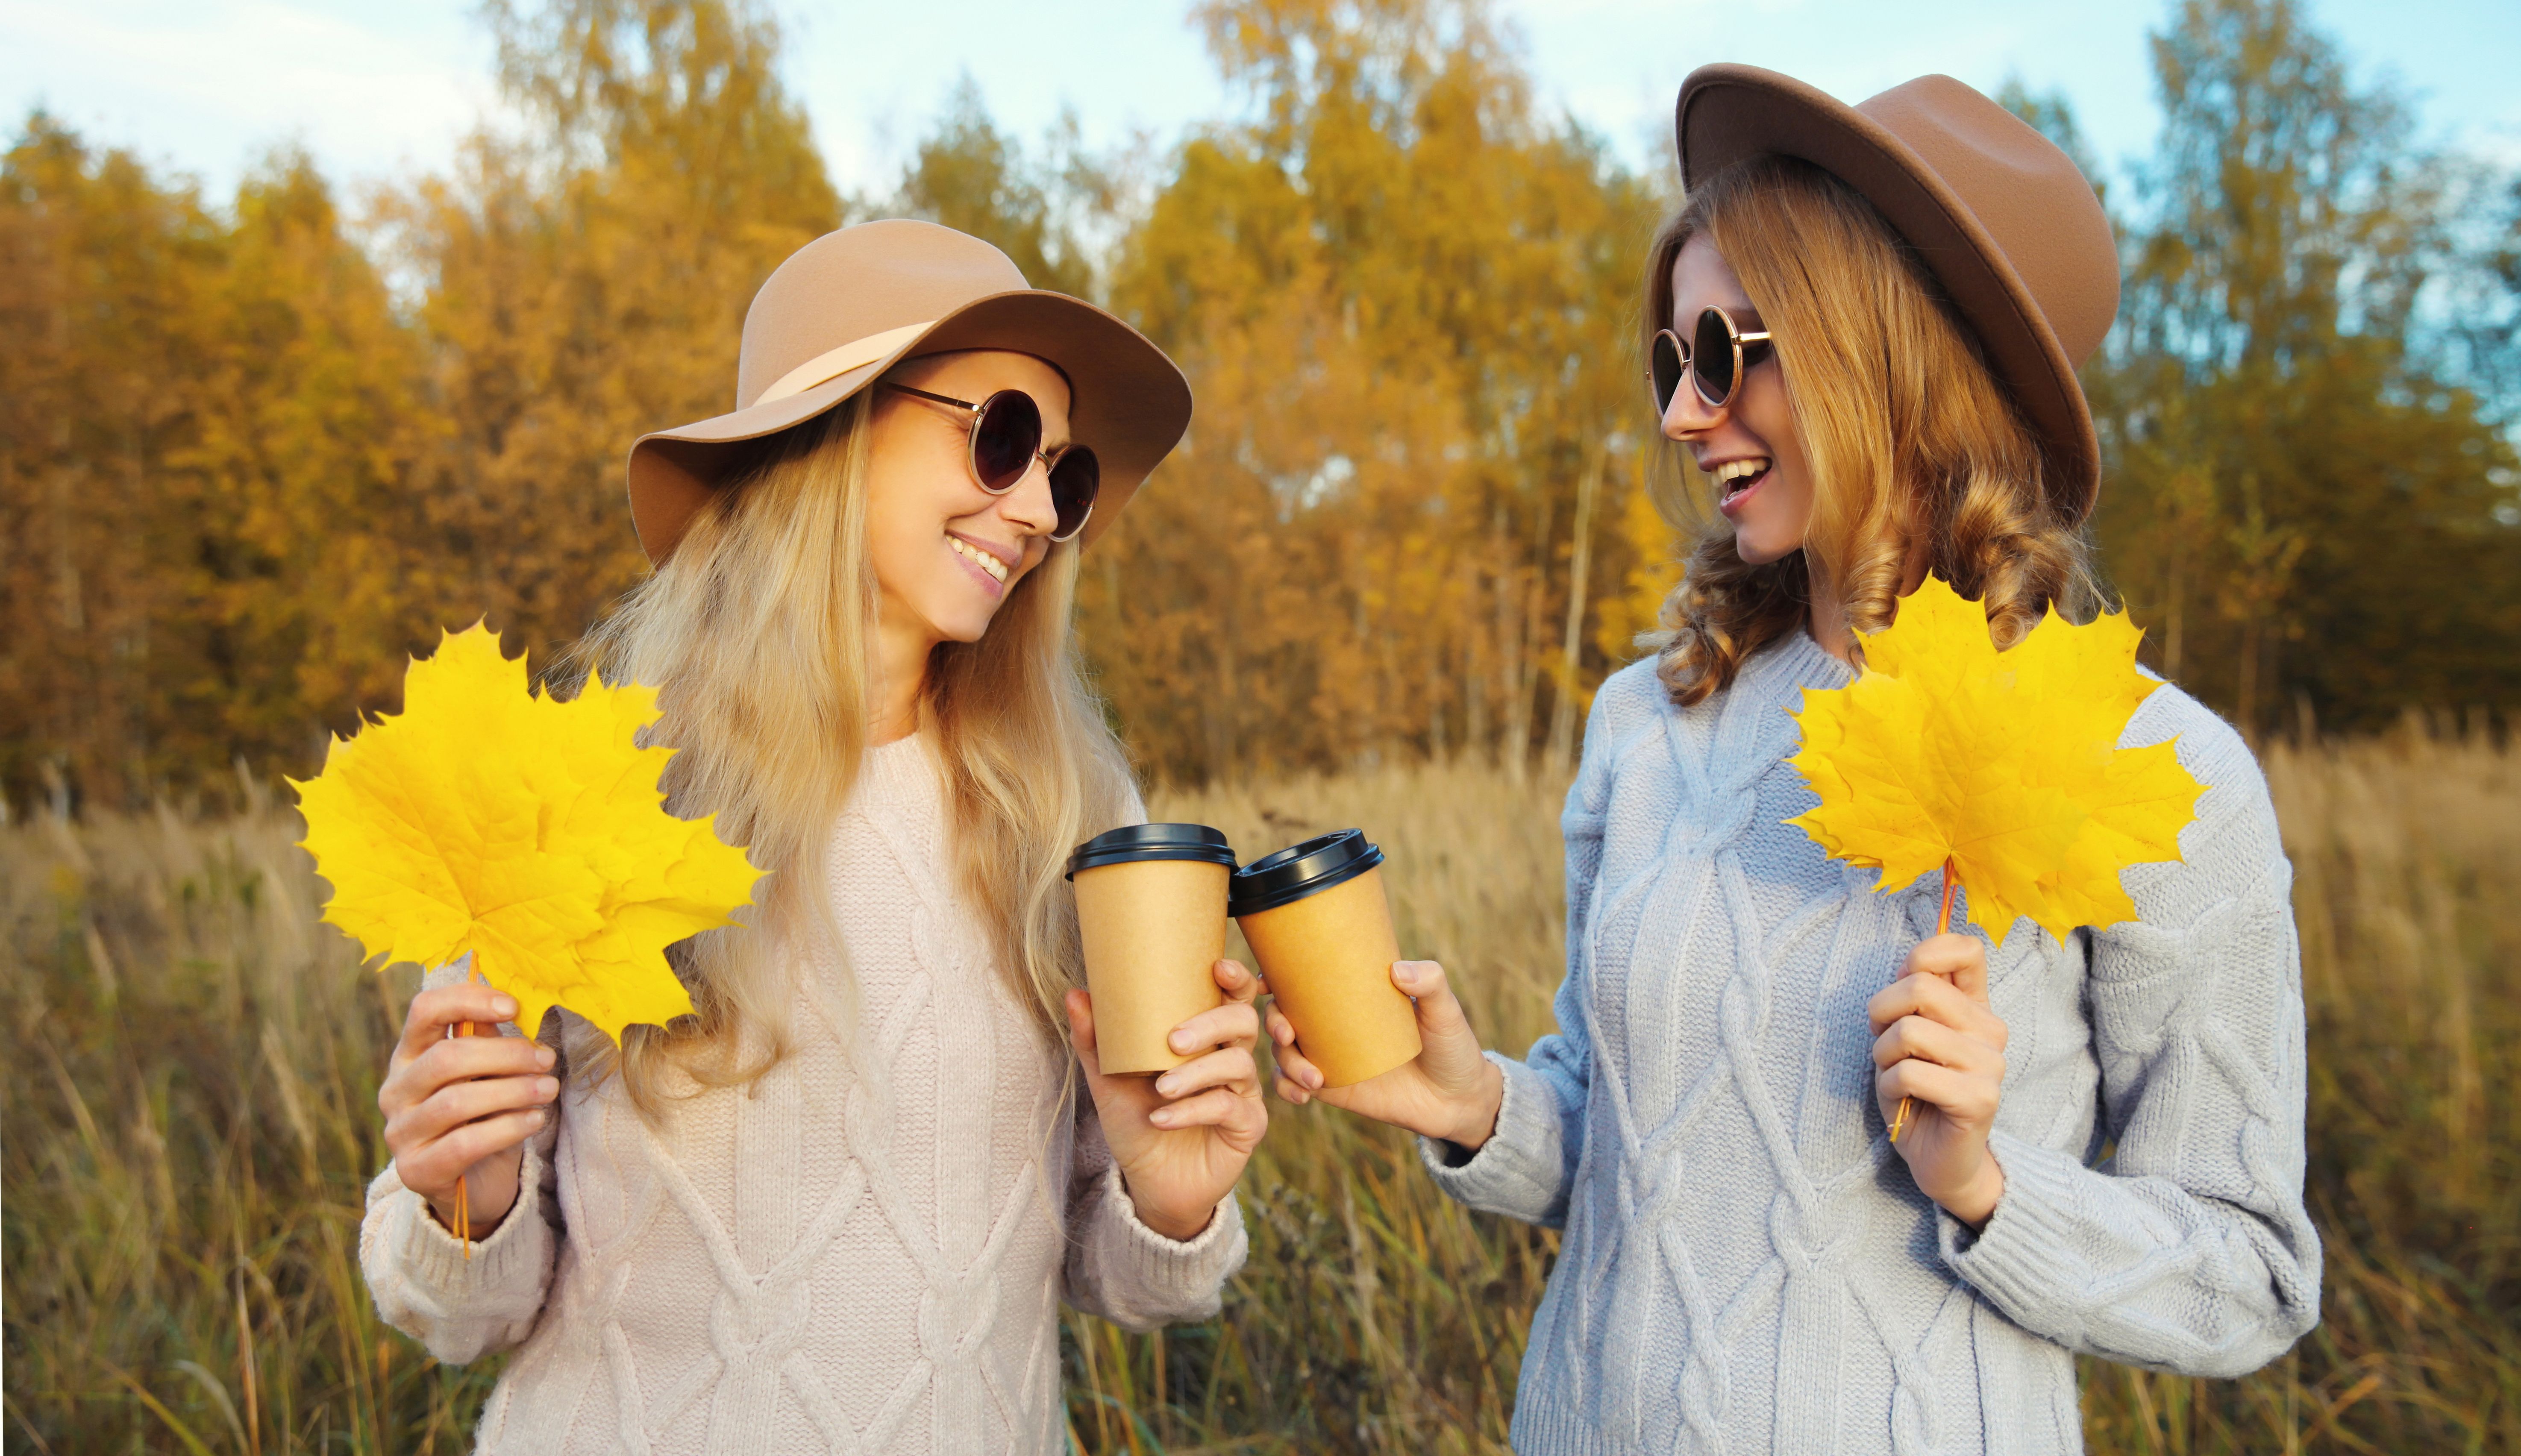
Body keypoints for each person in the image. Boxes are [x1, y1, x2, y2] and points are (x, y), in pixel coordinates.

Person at [1268, 66, 2320, 1452]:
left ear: (1878, 347)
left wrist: (1989, 1186)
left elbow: (2250, 1276)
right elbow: (1640, 1152)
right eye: (1667, 364)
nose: (1679, 417)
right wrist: (1477, 1109)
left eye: (1717, 354)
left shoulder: (2150, 763)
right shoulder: (1651, 722)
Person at [358, 220, 1268, 1453]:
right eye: (1001, 438)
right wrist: (461, 1192)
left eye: (1065, 472)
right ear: (826, 428)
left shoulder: (1076, 815)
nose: (1038, 511)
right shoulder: (575, 799)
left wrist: (1169, 1202)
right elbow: (460, 1315)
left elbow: (1132, 1282)